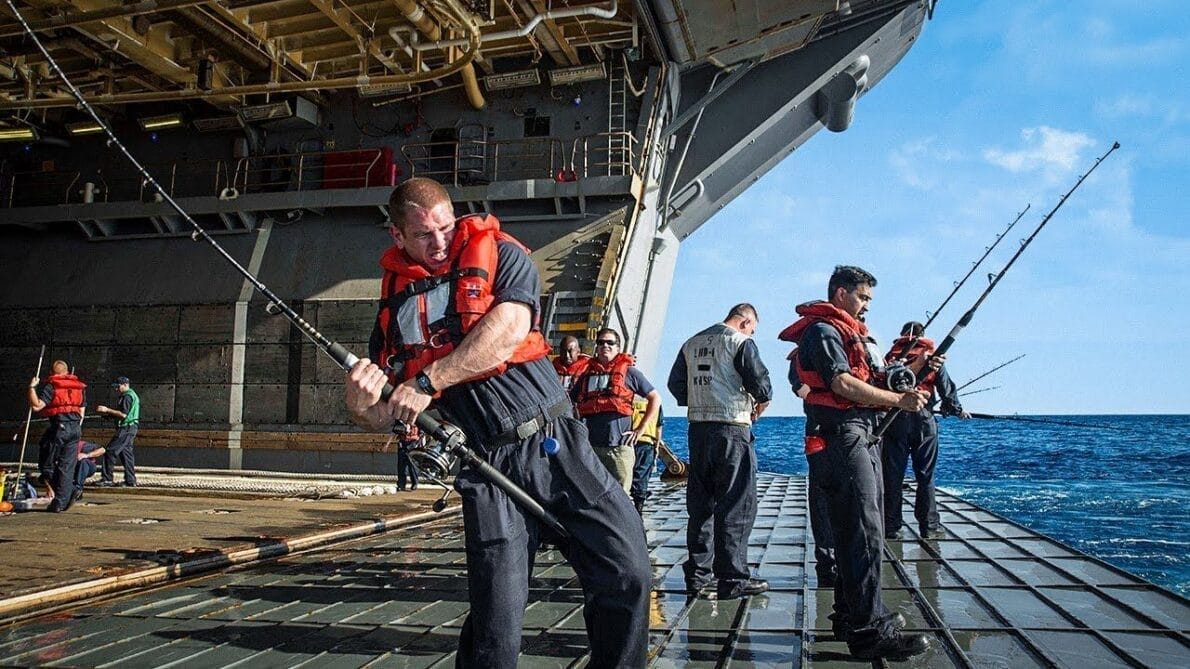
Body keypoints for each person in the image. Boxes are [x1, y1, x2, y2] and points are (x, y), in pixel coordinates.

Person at [344, 177, 649, 668]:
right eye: (423, 235)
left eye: (445, 227)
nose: (440, 242)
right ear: (397, 236)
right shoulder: (393, 310)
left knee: (627, 572)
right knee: (495, 623)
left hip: (557, 442)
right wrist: (361, 404)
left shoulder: (502, 254)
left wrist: (426, 384)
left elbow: (506, 332)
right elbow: (385, 411)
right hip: (485, 467)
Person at [777, 265, 930, 660]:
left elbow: (869, 379)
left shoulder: (846, 333)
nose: (866, 306)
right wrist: (900, 402)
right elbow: (843, 384)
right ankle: (869, 632)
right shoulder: (825, 332)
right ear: (841, 294)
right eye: (862, 298)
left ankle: (850, 614)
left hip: (856, 434)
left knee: (852, 532)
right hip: (844, 437)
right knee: (865, 532)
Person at [668, 303, 772, 600]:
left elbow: (676, 383)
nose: (752, 332)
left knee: (701, 506)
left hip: (698, 429)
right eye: (753, 327)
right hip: (732, 428)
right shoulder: (740, 342)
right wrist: (761, 401)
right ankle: (733, 578)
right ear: (745, 321)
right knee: (737, 505)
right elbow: (761, 383)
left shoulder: (692, 343)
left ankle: (698, 577)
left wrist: (700, 399)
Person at [882, 321, 970, 540]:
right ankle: (929, 526)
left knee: (892, 476)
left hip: (894, 418)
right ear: (923, 335)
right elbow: (946, 387)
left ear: (902, 335)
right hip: (924, 418)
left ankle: (891, 526)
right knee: (925, 475)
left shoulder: (891, 356)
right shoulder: (932, 356)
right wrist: (956, 409)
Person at [571, 328, 661, 493]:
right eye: (601, 342)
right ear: (596, 347)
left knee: (622, 498)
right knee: (592, 495)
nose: (605, 345)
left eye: (610, 342)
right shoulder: (586, 376)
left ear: (618, 348)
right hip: (592, 449)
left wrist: (640, 430)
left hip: (619, 449)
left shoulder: (630, 373)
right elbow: (571, 401)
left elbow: (655, 398)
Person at [27, 360, 87, 512]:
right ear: (67, 372)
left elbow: (36, 406)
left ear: (53, 373)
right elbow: (81, 411)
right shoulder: (79, 387)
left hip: (59, 428)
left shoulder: (52, 385)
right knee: (66, 466)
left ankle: (66, 493)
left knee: (46, 464)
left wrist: (31, 388)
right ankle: (61, 500)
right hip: (76, 429)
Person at [95, 376, 139, 487]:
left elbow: (123, 414)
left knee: (110, 451)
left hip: (126, 428)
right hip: (131, 428)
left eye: (118, 387)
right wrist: (109, 416)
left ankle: (107, 479)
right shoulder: (132, 395)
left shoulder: (127, 397)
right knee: (126, 454)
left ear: (125, 385)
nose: (116, 389)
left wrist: (107, 410)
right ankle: (130, 480)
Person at [628, 398, 663, 514]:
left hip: (629, 439)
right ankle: (639, 507)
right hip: (647, 440)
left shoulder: (629, 398)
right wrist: (657, 445)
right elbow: (659, 426)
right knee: (642, 475)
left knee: (628, 473)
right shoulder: (654, 401)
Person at [396, 424, 420, 491]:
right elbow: (395, 430)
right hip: (403, 442)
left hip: (413, 443)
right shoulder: (401, 419)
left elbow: (422, 434)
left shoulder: (417, 420)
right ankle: (401, 485)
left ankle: (415, 483)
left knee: (412, 465)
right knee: (401, 466)